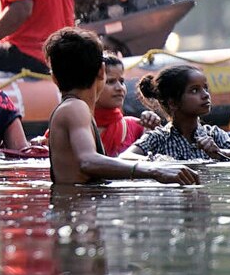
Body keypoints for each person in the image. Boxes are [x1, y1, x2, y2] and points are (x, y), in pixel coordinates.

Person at [44, 27, 198, 185]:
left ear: (54, 77)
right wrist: (154, 171)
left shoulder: (71, 108)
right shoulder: (75, 108)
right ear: (102, 71)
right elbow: (88, 161)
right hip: (78, 207)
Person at [31, 55, 160, 156]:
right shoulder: (67, 126)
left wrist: (150, 131)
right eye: (110, 82)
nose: (120, 88)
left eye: (122, 81)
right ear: (93, 84)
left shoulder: (136, 127)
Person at [121, 65, 230, 161]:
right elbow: (125, 157)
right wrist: (156, 162)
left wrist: (221, 152)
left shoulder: (213, 135)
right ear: (173, 103)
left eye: (205, 88)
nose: (205, 95)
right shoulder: (158, 138)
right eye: (194, 90)